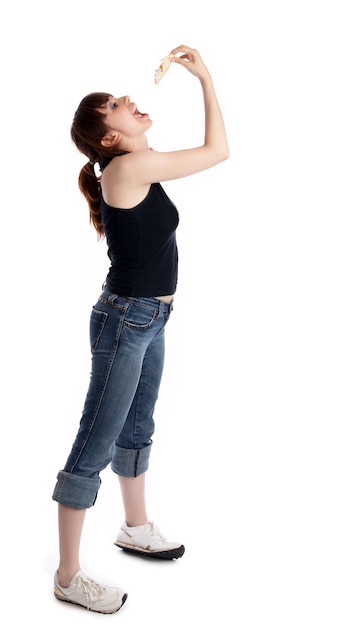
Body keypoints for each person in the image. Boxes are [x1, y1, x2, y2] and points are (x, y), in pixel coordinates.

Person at [52, 44, 229, 614]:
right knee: (94, 441)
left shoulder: (129, 166)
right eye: (116, 106)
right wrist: (204, 78)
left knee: (138, 424)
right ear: (109, 139)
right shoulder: (129, 168)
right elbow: (217, 151)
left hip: (148, 318)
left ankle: (134, 526)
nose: (130, 101)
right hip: (127, 320)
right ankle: (68, 575)